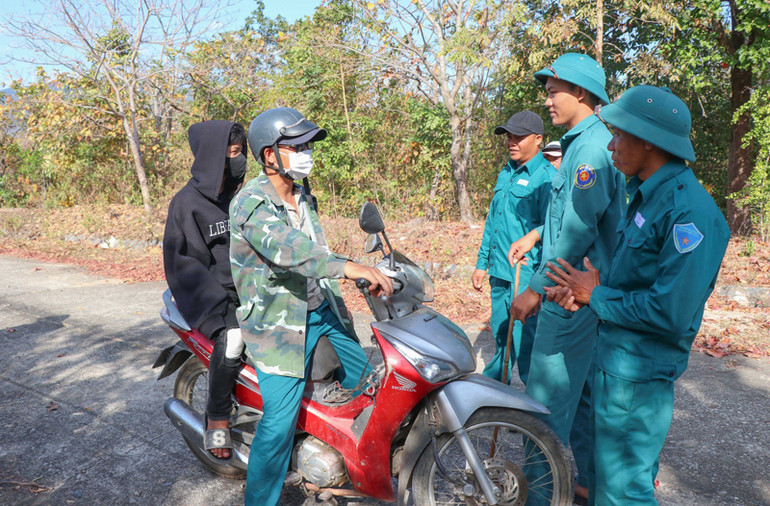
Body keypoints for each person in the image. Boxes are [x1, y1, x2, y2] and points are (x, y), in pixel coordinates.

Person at [543, 85, 730, 505]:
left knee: (623, 495)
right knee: (609, 487)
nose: (610, 145)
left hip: (638, 380)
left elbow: (671, 311)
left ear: (649, 141)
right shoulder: (648, 195)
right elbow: (634, 281)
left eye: (620, 135)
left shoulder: (689, 212)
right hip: (615, 368)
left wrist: (597, 298)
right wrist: (583, 291)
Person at [228, 107, 393, 506]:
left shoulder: (304, 194)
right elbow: (291, 250)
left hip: (320, 311)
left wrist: (352, 277)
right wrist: (347, 265)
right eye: (296, 145)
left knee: (368, 384)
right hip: (278, 325)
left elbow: (314, 250)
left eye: (307, 145)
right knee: (279, 424)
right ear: (270, 155)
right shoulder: (250, 204)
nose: (306, 152)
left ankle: (356, 465)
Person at [507, 53, 626, 501]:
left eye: (554, 90)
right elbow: (565, 221)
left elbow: (576, 233)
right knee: (585, 407)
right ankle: (591, 488)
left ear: (580, 93)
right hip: (581, 293)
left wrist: (533, 291)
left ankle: (539, 497)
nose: (548, 99)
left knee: (543, 411)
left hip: (566, 296)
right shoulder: (583, 143)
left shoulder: (590, 150)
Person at [163, 120, 248, 462]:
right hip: (211, 294)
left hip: (251, 287)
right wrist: (216, 302)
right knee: (234, 341)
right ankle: (217, 417)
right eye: (230, 153)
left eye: (241, 152)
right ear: (211, 156)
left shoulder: (242, 197)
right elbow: (182, 264)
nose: (237, 159)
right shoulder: (185, 204)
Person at [472, 110, 556, 385]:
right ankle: (501, 403)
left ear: (538, 139)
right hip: (500, 271)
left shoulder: (546, 178)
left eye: (519, 137)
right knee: (501, 336)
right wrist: (482, 263)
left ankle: (527, 411)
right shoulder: (506, 172)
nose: (512, 142)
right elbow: (492, 222)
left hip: (526, 275)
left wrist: (540, 281)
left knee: (522, 343)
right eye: (509, 136)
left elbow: (553, 229)